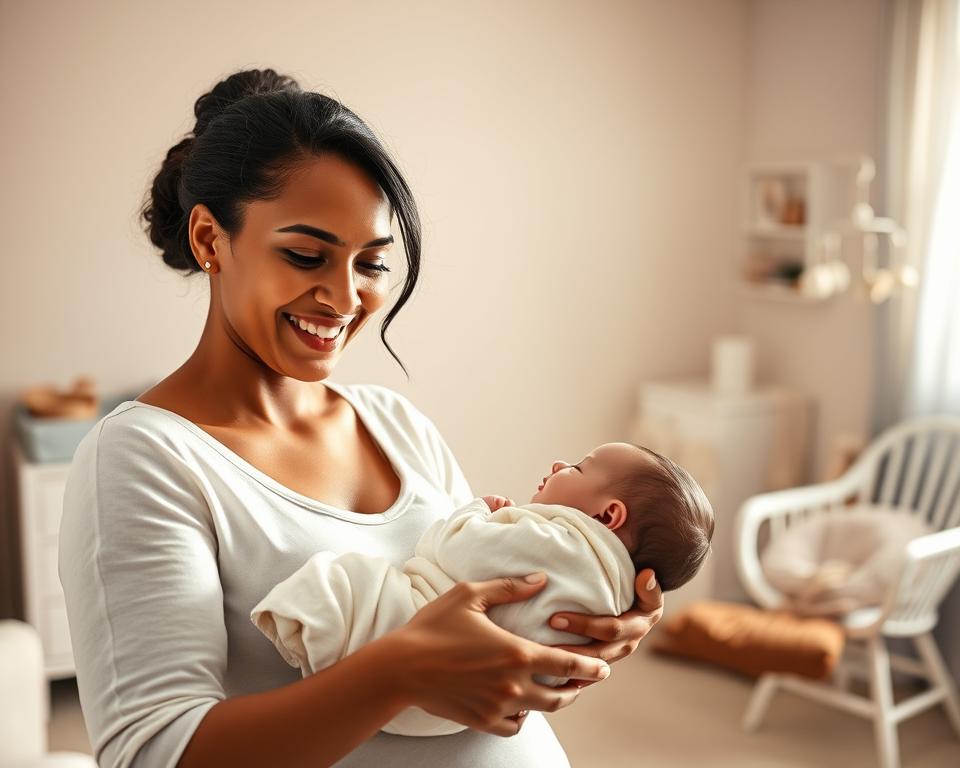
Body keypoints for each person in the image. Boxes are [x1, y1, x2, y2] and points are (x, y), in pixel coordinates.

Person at [57, 68, 664, 768]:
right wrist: (396, 674)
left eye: (371, 264)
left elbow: (479, 633)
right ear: (209, 239)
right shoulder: (144, 458)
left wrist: (578, 621)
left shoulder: (395, 423)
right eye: (305, 255)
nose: (344, 298)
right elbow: (152, 751)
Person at [251, 442, 713, 736]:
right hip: (459, 716)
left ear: (607, 516)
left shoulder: (559, 543)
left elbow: (453, 549)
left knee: (347, 580)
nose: (558, 463)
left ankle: (299, 625)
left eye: (577, 467)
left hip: (425, 650)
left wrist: (475, 513)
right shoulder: (612, 594)